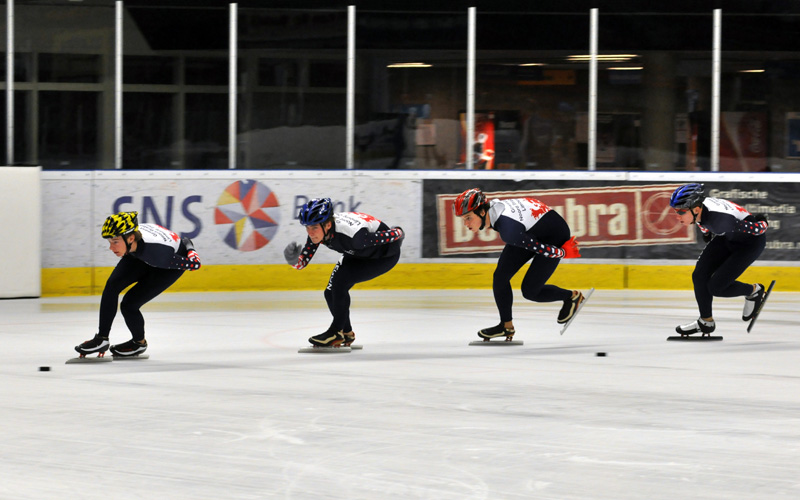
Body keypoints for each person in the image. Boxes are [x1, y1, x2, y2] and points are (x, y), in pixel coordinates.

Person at [453, 188, 583, 341]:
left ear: (482, 211)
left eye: (468, 218)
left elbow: (542, 248)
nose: (465, 224)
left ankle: (571, 297)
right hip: (532, 228)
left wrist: (562, 252)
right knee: (500, 277)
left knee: (530, 291)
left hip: (554, 235)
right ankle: (506, 326)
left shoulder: (509, 230)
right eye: (463, 219)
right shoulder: (497, 214)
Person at [75, 211, 201, 357]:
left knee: (129, 305)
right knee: (112, 286)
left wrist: (189, 245)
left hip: (167, 264)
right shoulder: (132, 241)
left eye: (115, 242)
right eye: (109, 242)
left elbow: (195, 264)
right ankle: (101, 339)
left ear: (131, 238)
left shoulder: (158, 254)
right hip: (140, 252)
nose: (111, 248)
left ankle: (138, 343)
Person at [284, 198, 404, 347]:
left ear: (327, 224)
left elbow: (389, 236)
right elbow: (302, 262)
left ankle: (335, 332)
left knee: (340, 283)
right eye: (307, 228)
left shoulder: (354, 236)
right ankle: (346, 333)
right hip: (355, 253)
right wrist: (293, 260)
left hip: (383, 256)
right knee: (329, 293)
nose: (310, 233)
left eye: (313, 227)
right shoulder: (321, 230)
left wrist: (398, 232)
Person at [670, 183, 768, 335]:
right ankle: (705, 322)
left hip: (749, 244)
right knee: (699, 276)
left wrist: (762, 222)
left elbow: (758, 229)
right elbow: (702, 221)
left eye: (681, 212)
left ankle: (754, 291)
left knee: (717, 287)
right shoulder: (701, 207)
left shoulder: (721, 221)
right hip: (727, 237)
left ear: (696, 209)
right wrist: (706, 231)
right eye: (675, 211)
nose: (677, 216)